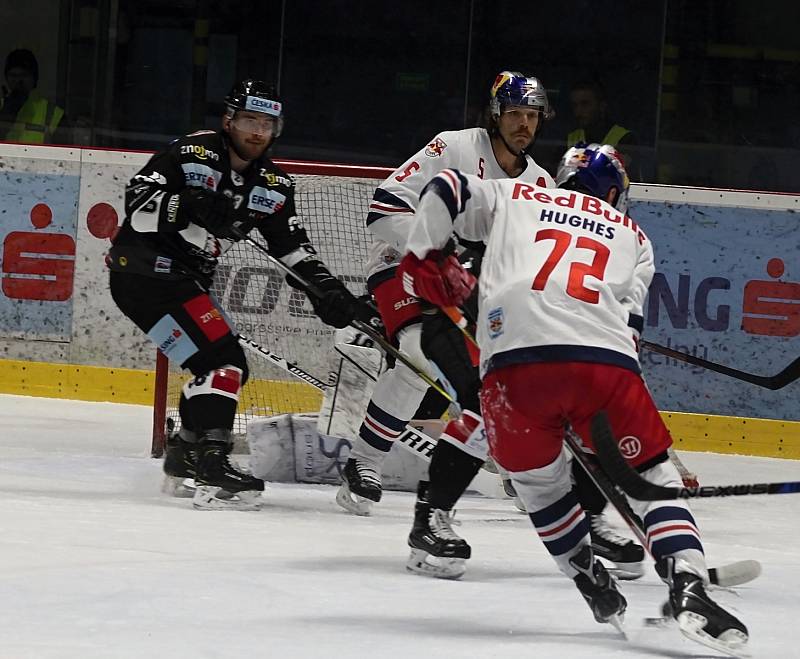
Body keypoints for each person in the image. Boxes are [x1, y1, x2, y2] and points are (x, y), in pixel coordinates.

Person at [396, 144, 748, 655]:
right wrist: (635, 440)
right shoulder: (634, 235)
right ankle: (689, 584)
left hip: (511, 378)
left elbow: (444, 187)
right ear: (612, 193)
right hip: (602, 370)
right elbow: (628, 337)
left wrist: (424, 255)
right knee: (652, 481)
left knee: (541, 490)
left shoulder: (516, 193)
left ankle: (587, 578)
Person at [337, 70, 644, 580]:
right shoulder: (454, 147)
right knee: (418, 359)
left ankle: (538, 480)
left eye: (532, 116)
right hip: (406, 264)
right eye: (514, 114)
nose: (523, 125)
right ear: (494, 114)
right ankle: (366, 461)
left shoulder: (541, 184)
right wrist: (444, 252)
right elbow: (384, 207)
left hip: (476, 288)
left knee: (510, 383)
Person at [107, 79, 367, 510]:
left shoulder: (274, 186)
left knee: (225, 370)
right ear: (229, 120)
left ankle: (184, 455)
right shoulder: (191, 153)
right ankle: (211, 467)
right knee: (222, 363)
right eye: (249, 120)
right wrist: (186, 206)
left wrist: (328, 290)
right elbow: (138, 201)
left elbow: (293, 250)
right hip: (142, 274)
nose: (256, 131)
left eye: (267, 123)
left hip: (184, 284)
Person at [567, 80, 639, 179]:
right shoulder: (571, 137)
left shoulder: (625, 138)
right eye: (575, 105)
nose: (578, 111)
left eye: (585, 104)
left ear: (602, 106)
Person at [0, 49, 65, 144]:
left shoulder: (52, 113)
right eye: (13, 76)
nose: (18, 81)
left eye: (24, 75)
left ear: (34, 78)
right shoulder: (2, 106)